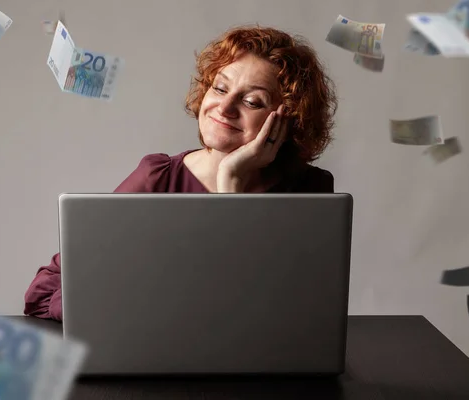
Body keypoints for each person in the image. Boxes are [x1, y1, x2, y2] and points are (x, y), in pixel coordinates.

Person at [24, 25, 338, 321]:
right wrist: (121, 309)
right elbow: (45, 289)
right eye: (220, 88)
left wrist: (230, 182)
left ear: (288, 121)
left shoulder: (309, 190)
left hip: (266, 375)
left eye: (252, 101)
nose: (224, 107)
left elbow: (266, 314)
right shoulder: (158, 178)